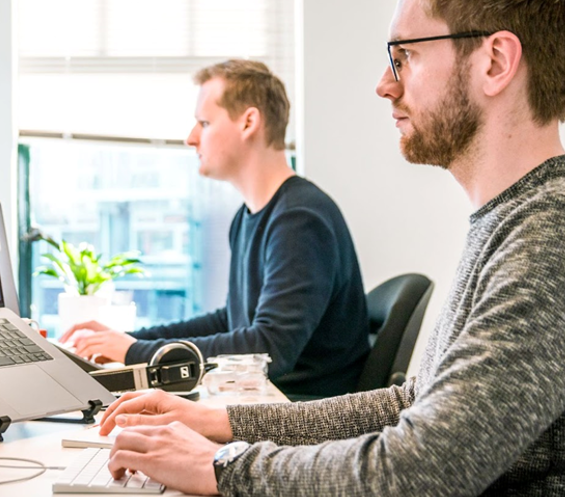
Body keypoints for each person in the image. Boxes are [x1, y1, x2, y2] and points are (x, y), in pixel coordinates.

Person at [94, 0, 565, 497]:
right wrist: (222, 423)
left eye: (404, 56)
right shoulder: (518, 218)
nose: (383, 84)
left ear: (495, 61)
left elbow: (414, 478)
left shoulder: (563, 232)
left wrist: (221, 465)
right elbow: (412, 405)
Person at [61, 60, 368, 398]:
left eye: (204, 123)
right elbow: (231, 321)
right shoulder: (250, 217)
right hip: (264, 402)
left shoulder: (300, 219)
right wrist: (132, 340)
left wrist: (135, 353)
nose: (191, 138)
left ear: (249, 122)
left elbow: (269, 350)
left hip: (298, 413)